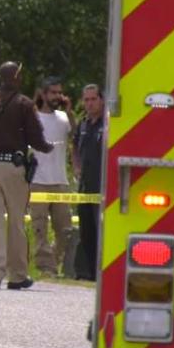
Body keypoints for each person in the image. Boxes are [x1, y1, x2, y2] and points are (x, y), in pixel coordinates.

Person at [0, 62, 53, 290]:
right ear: (16, 77)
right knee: (16, 221)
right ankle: (17, 275)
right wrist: (48, 148)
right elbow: (36, 138)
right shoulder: (24, 104)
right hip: (14, 166)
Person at [30, 77, 76, 276]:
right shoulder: (33, 117)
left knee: (65, 228)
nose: (58, 96)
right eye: (53, 92)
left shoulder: (64, 118)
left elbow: (76, 135)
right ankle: (46, 268)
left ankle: (58, 262)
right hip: (38, 181)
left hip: (60, 181)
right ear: (43, 94)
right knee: (39, 227)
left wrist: (70, 112)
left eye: (60, 92)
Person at [73, 84, 105, 281]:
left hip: (103, 187)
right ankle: (90, 273)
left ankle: (103, 272)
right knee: (86, 232)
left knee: (101, 230)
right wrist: (76, 166)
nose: (90, 103)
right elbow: (74, 146)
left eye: (93, 99)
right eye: (86, 100)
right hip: (85, 187)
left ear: (101, 99)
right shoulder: (83, 124)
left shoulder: (109, 123)